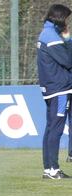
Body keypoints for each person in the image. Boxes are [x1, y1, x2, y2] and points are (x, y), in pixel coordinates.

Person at [37, 4, 72, 179]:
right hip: (60, 89)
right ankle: (53, 169)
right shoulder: (53, 37)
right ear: (59, 18)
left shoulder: (46, 33)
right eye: (66, 18)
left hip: (51, 88)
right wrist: (69, 39)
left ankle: (48, 168)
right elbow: (68, 60)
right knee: (56, 130)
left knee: (50, 128)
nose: (67, 22)